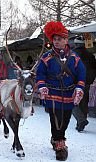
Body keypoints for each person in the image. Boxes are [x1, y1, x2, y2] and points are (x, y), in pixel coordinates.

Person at [36, 21, 86, 161]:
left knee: (66, 119)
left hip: (69, 94)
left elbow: (82, 74)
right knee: (55, 119)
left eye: (60, 39)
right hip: (52, 94)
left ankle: (56, 138)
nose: (56, 42)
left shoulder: (75, 58)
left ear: (66, 40)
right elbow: (40, 74)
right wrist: (42, 86)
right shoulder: (46, 57)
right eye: (54, 39)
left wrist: (79, 88)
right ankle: (60, 144)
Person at [72, 37, 96, 132]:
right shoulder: (90, 55)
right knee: (83, 102)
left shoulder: (72, 55)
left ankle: (81, 120)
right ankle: (80, 125)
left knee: (72, 101)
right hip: (87, 82)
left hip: (74, 82)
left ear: (76, 44)